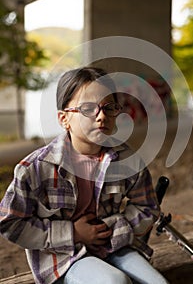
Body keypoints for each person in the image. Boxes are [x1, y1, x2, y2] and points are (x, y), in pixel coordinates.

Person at [0, 67, 168, 284]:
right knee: (115, 282)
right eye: (88, 108)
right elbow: (10, 222)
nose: (101, 116)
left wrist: (113, 228)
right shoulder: (35, 168)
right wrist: (73, 233)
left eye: (109, 108)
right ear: (64, 119)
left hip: (112, 245)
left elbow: (148, 207)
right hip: (63, 256)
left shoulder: (128, 161)